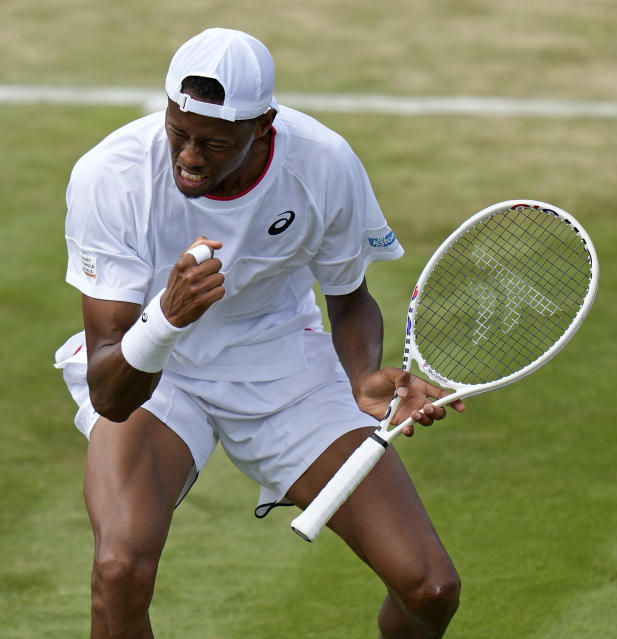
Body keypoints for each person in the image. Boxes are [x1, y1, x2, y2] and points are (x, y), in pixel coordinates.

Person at [54, 27, 466, 639]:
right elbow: (111, 393)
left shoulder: (323, 163)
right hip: (154, 370)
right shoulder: (110, 175)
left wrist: (363, 379)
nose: (190, 158)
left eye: (214, 144)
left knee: (429, 589)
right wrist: (167, 317)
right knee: (120, 569)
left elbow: (349, 298)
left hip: (281, 360)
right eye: (179, 132)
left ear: (263, 126)